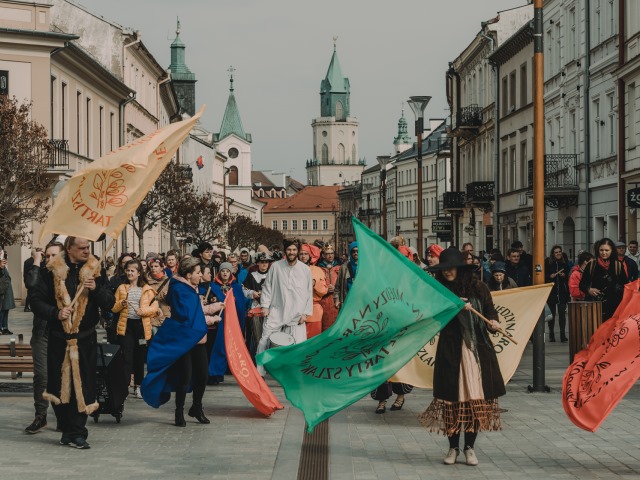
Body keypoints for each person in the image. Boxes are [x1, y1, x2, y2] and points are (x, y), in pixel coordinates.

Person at [419, 247, 504, 466]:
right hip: (451, 352)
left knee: (474, 401)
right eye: (444, 269)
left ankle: (469, 448)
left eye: (451, 268)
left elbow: (489, 311)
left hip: (476, 352)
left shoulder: (479, 288)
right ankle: (452, 448)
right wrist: (454, 307)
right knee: (451, 403)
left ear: (460, 268)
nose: (447, 272)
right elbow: (432, 317)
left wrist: (494, 323)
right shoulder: (439, 290)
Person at [30, 236, 115, 449]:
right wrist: (55, 313)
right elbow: (35, 301)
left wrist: (96, 288)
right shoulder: (50, 271)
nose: (87, 251)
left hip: (85, 338)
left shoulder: (95, 270)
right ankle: (67, 430)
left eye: (88, 247)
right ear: (69, 249)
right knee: (59, 387)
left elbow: (110, 302)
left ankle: (78, 433)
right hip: (59, 339)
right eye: (82, 248)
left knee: (83, 385)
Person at [141, 257, 222, 427]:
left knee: (202, 375)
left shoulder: (192, 288)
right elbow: (187, 316)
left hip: (197, 338)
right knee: (184, 376)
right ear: (188, 274)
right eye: (198, 273)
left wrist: (214, 310)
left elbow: (196, 312)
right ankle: (179, 412)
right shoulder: (180, 290)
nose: (200, 276)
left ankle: (197, 407)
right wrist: (210, 319)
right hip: (184, 339)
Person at [256, 239, 313, 377]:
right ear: (284, 251)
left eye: (294, 250)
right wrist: (265, 306)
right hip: (277, 310)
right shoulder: (276, 267)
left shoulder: (305, 269)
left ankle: (295, 374)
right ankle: (259, 373)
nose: (291, 252)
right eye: (289, 250)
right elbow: (268, 286)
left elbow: (308, 292)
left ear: (297, 251)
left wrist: (305, 313)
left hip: (296, 313)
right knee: (265, 339)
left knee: (298, 345)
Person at [24, 242, 63, 434]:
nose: (50, 259)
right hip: (42, 331)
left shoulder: (69, 275)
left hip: (63, 332)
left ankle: (64, 416)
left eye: (53, 255)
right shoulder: (38, 272)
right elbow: (30, 285)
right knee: (42, 375)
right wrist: (36, 260)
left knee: (62, 376)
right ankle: (41, 415)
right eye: (47, 256)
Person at [112, 259, 157, 398]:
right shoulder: (122, 288)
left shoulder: (147, 289)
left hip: (141, 327)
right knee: (126, 357)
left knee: (139, 357)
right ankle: (125, 386)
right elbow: (113, 308)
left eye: (132, 270)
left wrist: (143, 311)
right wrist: (121, 303)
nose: (130, 273)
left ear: (139, 273)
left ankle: (139, 386)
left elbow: (154, 308)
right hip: (126, 326)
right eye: (128, 270)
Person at [208, 262, 249, 384]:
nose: (225, 273)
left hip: (233, 321)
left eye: (227, 271)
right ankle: (215, 373)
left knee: (233, 347)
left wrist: (233, 301)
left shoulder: (236, 287)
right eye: (223, 270)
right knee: (219, 347)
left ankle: (234, 370)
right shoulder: (213, 286)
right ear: (219, 272)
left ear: (231, 272)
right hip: (219, 321)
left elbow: (241, 305)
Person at [579, 238, 629, 321]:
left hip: (614, 307)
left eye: (606, 250)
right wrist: (589, 290)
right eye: (601, 250)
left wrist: (617, 289)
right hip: (596, 306)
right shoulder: (592, 265)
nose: (604, 253)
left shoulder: (618, 265)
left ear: (612, 250)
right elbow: (581, 284)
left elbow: (625, 285)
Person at [243, 252, 273, 361]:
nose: (264, 264)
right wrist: (252, 293)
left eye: (266, 262)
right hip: (256, 308)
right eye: (262, 262)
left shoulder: (273, 274)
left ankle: (268, 360)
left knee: (269, 336)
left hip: (270, 309)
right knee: (257, 336)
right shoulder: (252, 275)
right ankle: (256, 360)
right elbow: (244, 290)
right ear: (258, 263)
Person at [298, 243, 328, 339]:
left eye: (306, 254)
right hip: (296, 309)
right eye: (301, 254)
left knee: (313, 340)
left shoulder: (317, 270)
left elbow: (324, 290)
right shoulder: (293, 269)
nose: (303, 256)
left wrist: (315, 284)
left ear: (310, 256)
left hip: (313, 310)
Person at [544, 246, 571, 343]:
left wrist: (564, 276)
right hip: (552, 291)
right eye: (556, 252)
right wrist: (549, 276)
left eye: (559, 252)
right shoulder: (548, 263)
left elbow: (569, 275)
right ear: (553, 254)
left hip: (562, 292)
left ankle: (563, 334)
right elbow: (544, 276)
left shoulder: (565, 262)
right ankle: (551, 334)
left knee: (562, 314)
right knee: (552, 314)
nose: (558, 253)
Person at [317, 244, 341, 331]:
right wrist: (325, 289)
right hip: (323, 301)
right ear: (323, 255)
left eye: (332, 253)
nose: (330, 255)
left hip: (337, 301)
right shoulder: (318, 268)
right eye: (327, 253)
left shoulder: (340, 267)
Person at [145, 256, 170, 335]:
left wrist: (168, 295)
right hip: (151, 316)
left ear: (162, 267)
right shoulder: (146, 281)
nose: (153, 268)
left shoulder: (168, 281)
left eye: (156, 266)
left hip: (165, 315)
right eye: (151, 266)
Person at [334, 242, 358, 310]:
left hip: (361, 301)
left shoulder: (364, 267)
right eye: (353, 251)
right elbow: (337, 286)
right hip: (346, 300)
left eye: (357, 251)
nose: (356, 253)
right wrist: (337, 299)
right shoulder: (344, 267)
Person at [0, 250, 15, 335]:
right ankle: (1, 327)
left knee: (6, 309)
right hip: (2, 290)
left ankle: (5, 327)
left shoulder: (4, 266)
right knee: (2, 310)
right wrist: (1, 267)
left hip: (6, 290)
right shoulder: (1, 266)